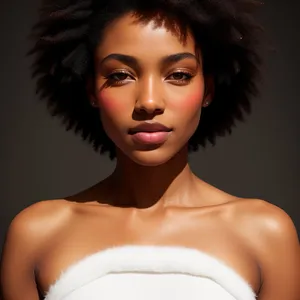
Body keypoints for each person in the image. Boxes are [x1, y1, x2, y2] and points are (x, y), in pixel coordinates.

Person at [1, 0, 299, 299]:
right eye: (120, 75)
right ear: (92, 90)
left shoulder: (265, 233)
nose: (149, 102)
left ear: (207, 90)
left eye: (179, 74)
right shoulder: (37, 234)